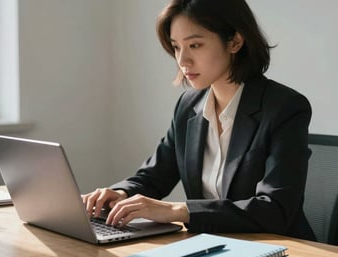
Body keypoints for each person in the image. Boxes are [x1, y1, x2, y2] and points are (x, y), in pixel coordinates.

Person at [82, 0, 316, 241]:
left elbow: (274, 209)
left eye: (195, 45)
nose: (183, 61)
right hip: (212, 243)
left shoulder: (284, 107)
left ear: (235, 41)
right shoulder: (188, 106)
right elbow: (155, 175)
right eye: (176, 47)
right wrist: (121, 193)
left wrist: (178, 210)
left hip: (280, 247)